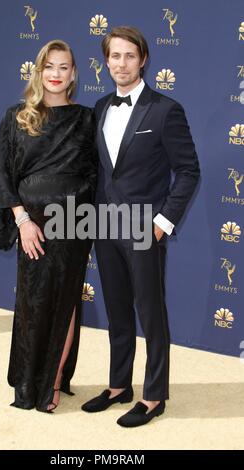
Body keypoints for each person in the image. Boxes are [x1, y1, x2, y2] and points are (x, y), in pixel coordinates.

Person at [81, 26, 200, 427]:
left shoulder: (166, 110)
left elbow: (188, 171)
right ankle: (119, 386)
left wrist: (161, 224)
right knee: (117, 311)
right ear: (106, 61)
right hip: (105, 225)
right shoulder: (99, 107)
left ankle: (153, 396)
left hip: (144, 229)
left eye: (129, 56)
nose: (121, 64)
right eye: (114, 56)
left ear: (143, 59)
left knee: (150, 314)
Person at [0, 40, 97, 413]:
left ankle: (50, 383)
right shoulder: (16, 116)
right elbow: (3, 175)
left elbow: (97, 174)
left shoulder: (86, 119)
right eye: (49, 66)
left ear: (74, 74)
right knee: (33, 303)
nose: (55, 74)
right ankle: (27, 380)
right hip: (31, 226)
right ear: (39, 71)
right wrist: (22, 221)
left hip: (72, 226)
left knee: (65, 302)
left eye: (64, 67)